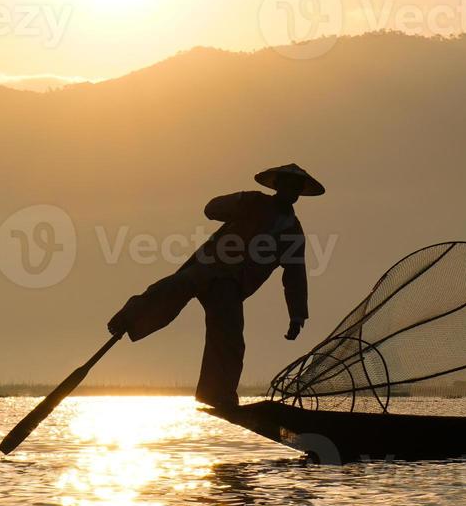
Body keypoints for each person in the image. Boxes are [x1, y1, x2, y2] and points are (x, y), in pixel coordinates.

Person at [106, 164, 324, 409]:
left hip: (231, 285)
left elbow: (295, 277)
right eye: (286, 184)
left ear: (298, 193)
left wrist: (297, 316)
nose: (290, 191)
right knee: (173, 288)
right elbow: (212, 209)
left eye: (295, 187)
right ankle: (128, 320)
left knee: (229, 337)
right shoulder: (253, 201)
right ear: (278, 186)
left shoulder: (293, 233)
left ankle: (217, 394)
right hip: (209, 265)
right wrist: (237, 204)